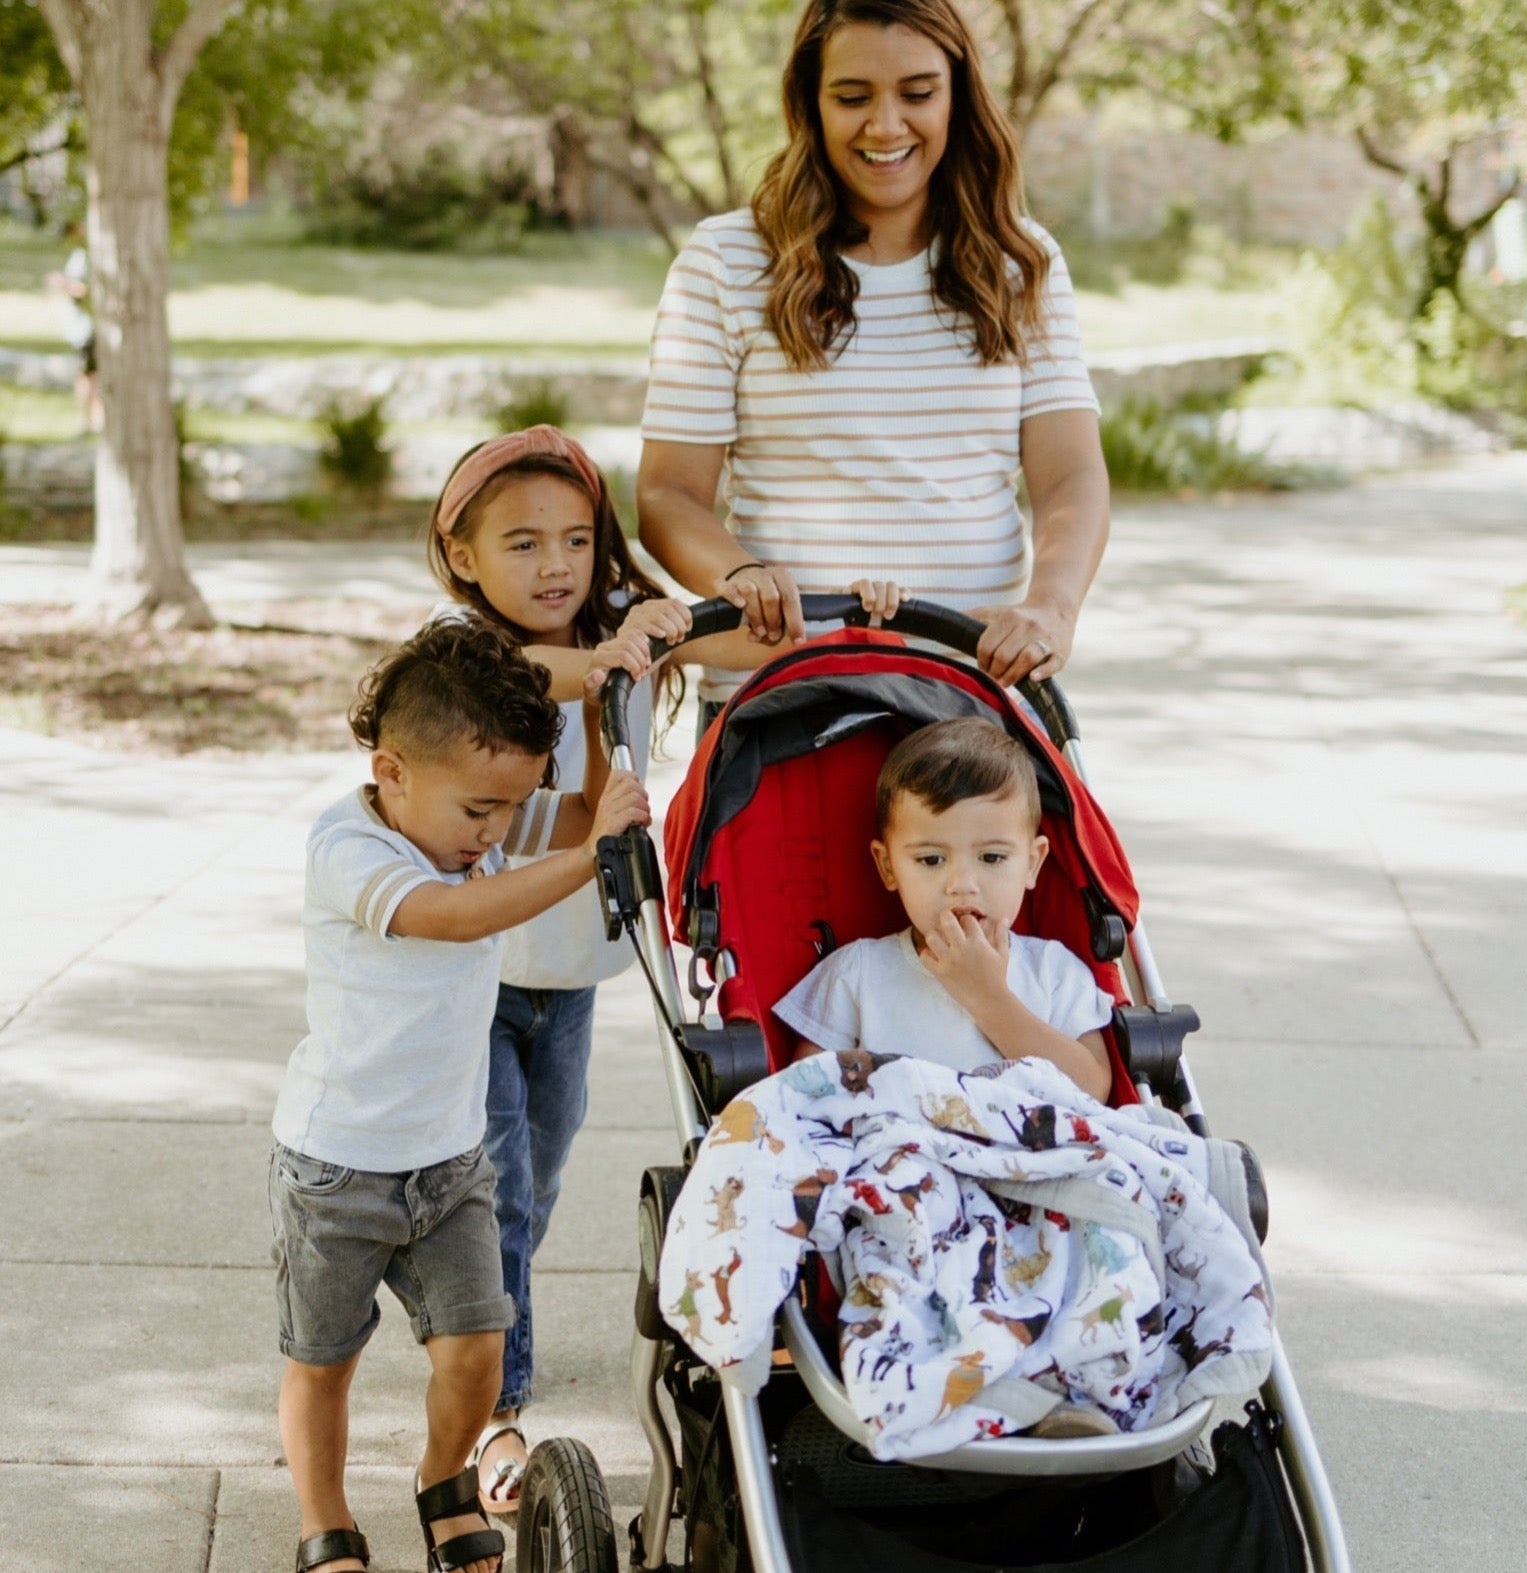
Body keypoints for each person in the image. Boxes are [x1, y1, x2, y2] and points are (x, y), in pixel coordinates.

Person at [425, 425, 798, 1512]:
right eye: (523, 542)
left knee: (534, 1179)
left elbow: (751, 655)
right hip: (473, 976)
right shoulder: (459, 655)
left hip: (568, 977)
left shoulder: (614, 639)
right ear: (462, 556)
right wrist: (617, 653)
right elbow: (533, 673)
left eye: (577, 540)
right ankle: (494, 1399)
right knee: (498, 1186)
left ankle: (473, 1311)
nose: (555, 564)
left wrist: (786, 609)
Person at [268, 617, 650, 1573]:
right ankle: (325, 1521)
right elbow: (454, 914)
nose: (493, 834)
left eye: (508, 809)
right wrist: (588, 859)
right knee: (323, 1359)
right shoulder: (350, 847)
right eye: (480, 810)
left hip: (448, 1161)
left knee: (478, 1348)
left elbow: (580, 814)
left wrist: (597, 712)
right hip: (337, 1166)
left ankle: (443, 1482)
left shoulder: (476, 815)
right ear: (391, 770)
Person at [637, 0, 1109, 721]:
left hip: (969, 709)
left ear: (956, 97)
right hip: (782, 705)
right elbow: (667, 494)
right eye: (852, 97)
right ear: (811, 104)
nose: (886, 126)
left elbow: (1070, 474)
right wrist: (741, 575)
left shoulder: (1020, 261)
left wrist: (1051, 608)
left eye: (917, 93)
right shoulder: (725, 260)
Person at [775, 716, 1113, 1102]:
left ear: (1032, 863)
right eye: (932, 860)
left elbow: (1092, 1092)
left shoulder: (1052, 971)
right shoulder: (857, 973)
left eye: (991, 857)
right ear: (888, 867)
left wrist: (990, 999)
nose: (962, 884)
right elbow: (799, 1101)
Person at [45, 221, 100, 434]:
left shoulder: (89, 255)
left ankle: (91, 420)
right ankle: (89, 419)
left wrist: (62, 283)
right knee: (88, 374)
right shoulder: (80, 254)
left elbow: (84, 289)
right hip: (80, 327)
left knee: (90, 375)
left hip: (90, 327)